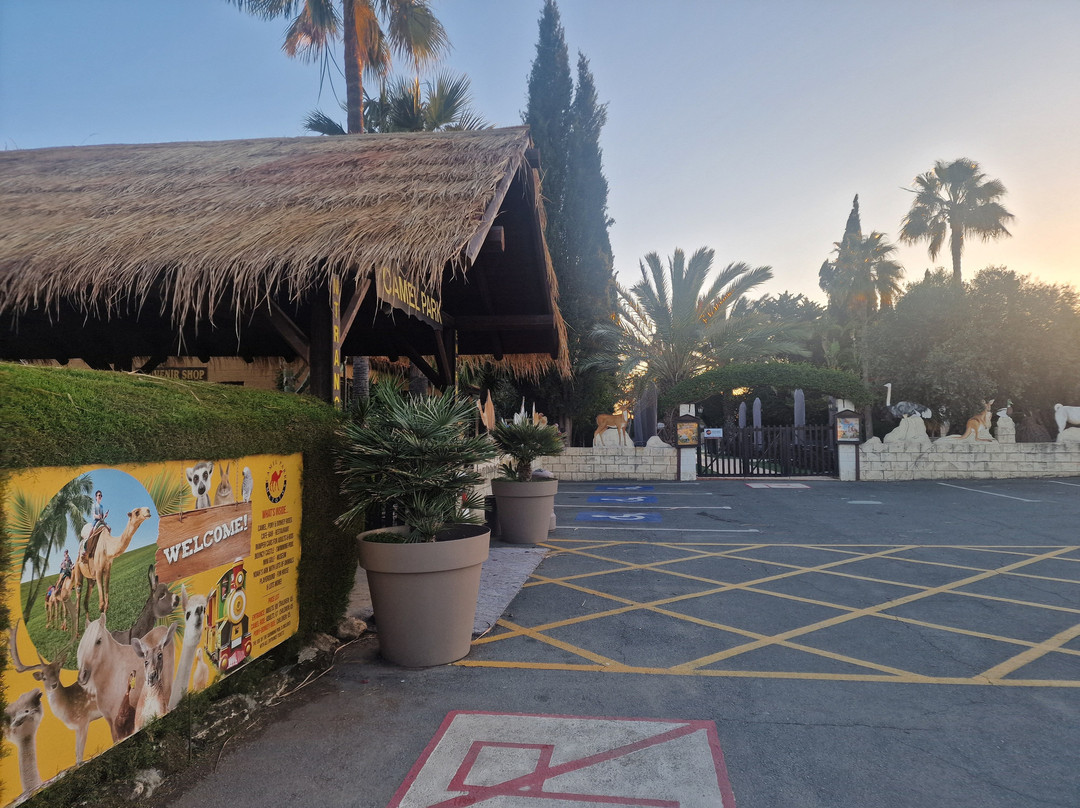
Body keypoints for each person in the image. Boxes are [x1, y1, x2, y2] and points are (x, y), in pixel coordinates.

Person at [81, 490, 109, 562]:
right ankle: (86, 543)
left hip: (101, 521)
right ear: (96, 497)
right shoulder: (94, 505)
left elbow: (102, 517)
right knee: (92, 530)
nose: (100, 496)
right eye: (99, 495)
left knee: (109, 528)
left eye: (101, 495)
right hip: (96, 521)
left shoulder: (101, 506)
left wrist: (105, 516)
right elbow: (94, 515)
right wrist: (98, 516)